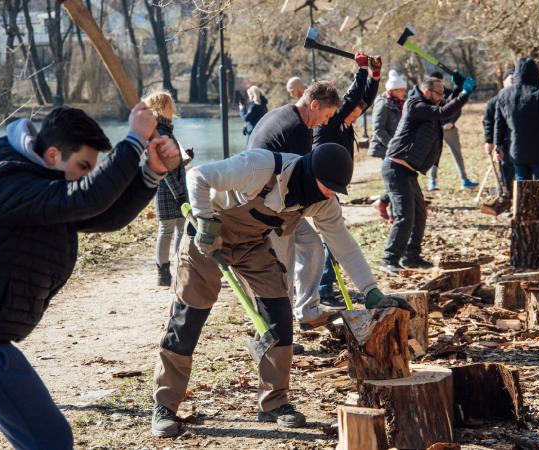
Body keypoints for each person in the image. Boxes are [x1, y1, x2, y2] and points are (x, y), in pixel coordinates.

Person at [0, 104, 178, 450]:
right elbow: (88, 197)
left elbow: (105, 213)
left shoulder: (44, 188)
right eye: (83, 166)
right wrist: (134, 138)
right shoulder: (3, 181)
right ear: (53, 154)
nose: (85, 176)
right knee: (50, 440)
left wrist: (151, 171)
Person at [150, 143, 412, 437]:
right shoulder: (260, 167)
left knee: (279, 316)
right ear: (309, 174)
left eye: (334, 190)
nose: (329, 194)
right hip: (206, 241)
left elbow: (344, 245)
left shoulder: (322, 201)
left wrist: (371, 291)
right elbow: (198, 176)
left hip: (253, 246)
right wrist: (204, 218)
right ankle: (165, 405)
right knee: (188, 320)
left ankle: (274, 403)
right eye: (326, 187)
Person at [247, 81, 343, 329]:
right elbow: (299, 182)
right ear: (313, 105)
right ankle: (279, 330)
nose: (324, 123)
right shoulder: (297, 130)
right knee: (283, 268)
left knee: (312, 246)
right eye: (326, 116)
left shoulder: (284, 114)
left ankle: (307, 310)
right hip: (266, 206)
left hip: (280, 200)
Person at [379, 74, 476, 275]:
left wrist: (457, 90)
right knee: (405, 215)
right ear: (426, 91)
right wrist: (465, 93)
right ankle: (389, 258)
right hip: (395, 168)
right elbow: (443, 111)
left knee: (420, 213)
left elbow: (447, 109)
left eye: (443, 93)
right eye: (439, 93)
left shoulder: (428, 106)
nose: (442, 96)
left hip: (408, 171)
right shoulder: (415, 105)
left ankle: (411, 256)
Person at [313, 53, 380, 307]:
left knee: (333, 236)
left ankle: (325, 286)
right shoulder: (329, 123)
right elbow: (353, 97)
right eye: (353, 114)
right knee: (330, 238)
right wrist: (361, 70)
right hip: (317, 183)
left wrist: (375, 76)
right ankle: (324, 289)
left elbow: (364, 100)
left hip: (331, 185)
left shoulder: (345, 124)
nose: (357, 116)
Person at [494, 58, 539, 180]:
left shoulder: (503, 94)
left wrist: (498, 146)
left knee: (522, 186)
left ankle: (522, 199)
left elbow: (499, 123)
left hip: (517, 150)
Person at [146, 90, 190, 287]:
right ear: (162, 107)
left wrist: (185, 159)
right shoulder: (160, 132)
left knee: (181, 227)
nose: (174, 109)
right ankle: (163, 272)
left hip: (176, 187)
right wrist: (180, 194)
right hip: (168, 189)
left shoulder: (165, 130)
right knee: (167, 229)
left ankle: (182, 267)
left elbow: (172, 164)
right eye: (171, 105)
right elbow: (166, 169)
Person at [426, 78, 479, 190]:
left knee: (457, 155)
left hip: (450, 129)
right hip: (435, 130)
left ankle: (464, 180)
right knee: (434, 156)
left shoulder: (450, 93)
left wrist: (451, 122)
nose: (440, 87)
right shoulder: (428, 96)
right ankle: (432, 181)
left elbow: (457, 108)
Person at [483, 69, 515, 198]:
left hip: (517, 142)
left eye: (515, 80)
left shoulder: (520, 99)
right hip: (502, 143)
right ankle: (506, 196)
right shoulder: (494, 102)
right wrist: (489, 141)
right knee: (505, 170)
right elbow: (488, 122)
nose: (513, 83)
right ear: (504, 82)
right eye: (511, 80)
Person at [369, 70, 407, 159]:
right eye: (401, 90)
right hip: (386, 147)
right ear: (393, 90)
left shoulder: (400, 103)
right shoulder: (383, 104)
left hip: (396, 146)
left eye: (404, 90)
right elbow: (378, 129)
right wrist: (393, 144)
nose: (404, 93)